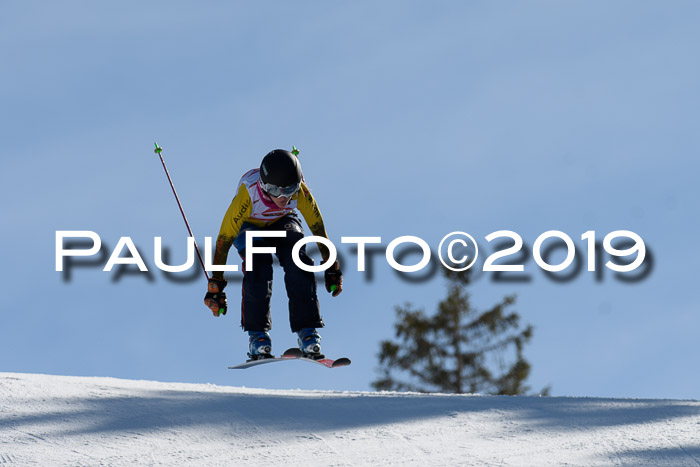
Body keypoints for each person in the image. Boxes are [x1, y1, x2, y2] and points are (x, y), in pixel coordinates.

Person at [203, 148, 343, 360]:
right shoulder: (248, 193)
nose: (282, 197)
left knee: (298, 257)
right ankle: (258, 336)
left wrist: (332, 265)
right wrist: (216, 284)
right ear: (262, 185)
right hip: (249, 226)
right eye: (274, 190)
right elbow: (224, 239)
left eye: (290, 190)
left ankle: (307, 332)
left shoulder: (301, 193)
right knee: (258, 263)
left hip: (282, 221)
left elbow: (318, 228)